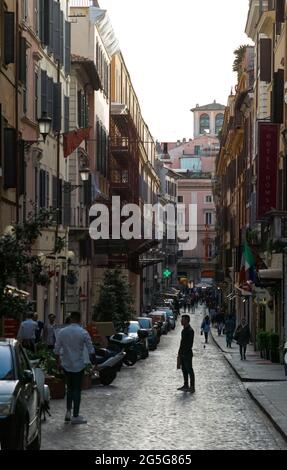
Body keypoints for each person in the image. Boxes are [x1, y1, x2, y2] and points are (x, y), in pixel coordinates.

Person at [54, 311, 96, 425]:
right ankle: (75, 415)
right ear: (79, 319)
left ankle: (68, 411)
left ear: (71, 318)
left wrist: (58, 362)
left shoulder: (62, 332)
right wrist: (93, 362)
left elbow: (56, 349)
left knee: (69, 388)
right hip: (78, 364)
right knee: (77, 389)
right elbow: (90, 348)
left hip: (66, 364)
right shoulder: (83, 332)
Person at [177, 315, 195, 393]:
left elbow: (189, 344)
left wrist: (184, 352)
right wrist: (179, 353)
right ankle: (186, 384)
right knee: (184, 370)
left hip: (187, 354)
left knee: (189, 370)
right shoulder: (184, 330)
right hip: (183, 353)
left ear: (187, 321)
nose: (181, 321)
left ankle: (192, 386)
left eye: (182, 320)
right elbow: (182, 343)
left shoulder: (190, 331)